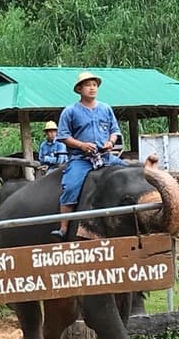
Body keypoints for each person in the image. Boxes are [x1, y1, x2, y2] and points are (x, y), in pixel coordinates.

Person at [51, 71, 126, 240]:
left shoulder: (106, 108)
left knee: (129, 172)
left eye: (94, 85)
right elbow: (63, 136)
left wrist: (111, 143)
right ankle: (63, 228)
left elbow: (115, 131)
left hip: (105, 157)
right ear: (79, 89)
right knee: (70, 187)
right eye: (88, 85)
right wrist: (82, 145)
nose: (92, 88)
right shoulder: (70, 111)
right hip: (81, 159)